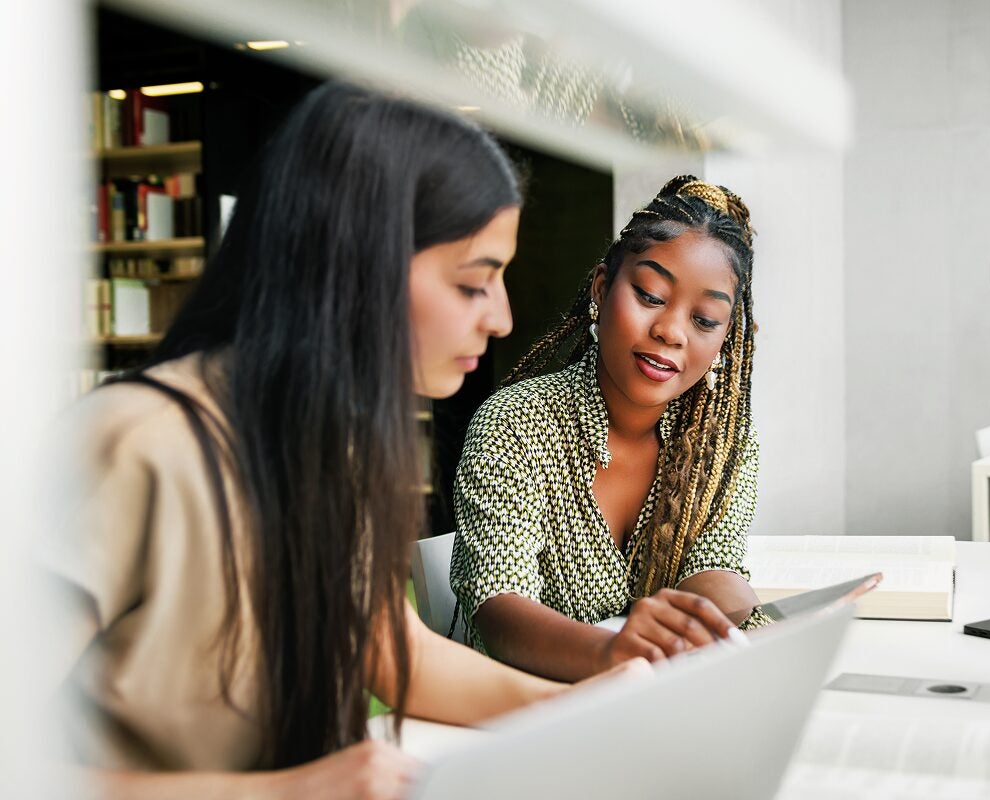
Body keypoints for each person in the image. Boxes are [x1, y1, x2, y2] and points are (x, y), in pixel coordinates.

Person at [40, 81, 638, 799]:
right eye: (474, 282)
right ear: (357, 268)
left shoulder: (331, 446)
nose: (503, 318)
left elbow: (391, 647)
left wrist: (582, 703)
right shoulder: (130, 443)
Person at [450, 175, 771, 682]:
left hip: (651, 720)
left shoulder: (724, 450)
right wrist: (614, 651)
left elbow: (713, 568)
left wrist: (751, 623)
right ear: (602, 289)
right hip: (521, 719)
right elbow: (499, 610)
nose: (671, 331)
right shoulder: (517, 423)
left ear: (726, 337)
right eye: (650, 295)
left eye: (706, 320)